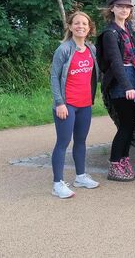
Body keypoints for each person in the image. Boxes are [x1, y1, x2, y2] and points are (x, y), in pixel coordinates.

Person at [98, 0, 135, 182]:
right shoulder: (110, 34)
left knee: (130, 126)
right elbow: (116, 63)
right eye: (120, 6)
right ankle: (114, 165)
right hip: (122, 82)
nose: (124, 10)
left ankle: (124, 161)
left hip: (134, 78)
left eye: (127, 7)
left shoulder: (127, 30)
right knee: (125, 126)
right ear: (112, 8)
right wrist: (126, 86)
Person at [50, 11, 100, 198]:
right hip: (67, 105)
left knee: (81, 141)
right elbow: (54, 77)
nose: (81, 26)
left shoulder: (91, 49)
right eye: (77, 23)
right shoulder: (63, 49)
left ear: (89, 28)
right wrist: (59, 103)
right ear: (70, 27)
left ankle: (80, 177)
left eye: (84, 24)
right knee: (63, 143)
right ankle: (57, 184)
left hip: (85, 104)